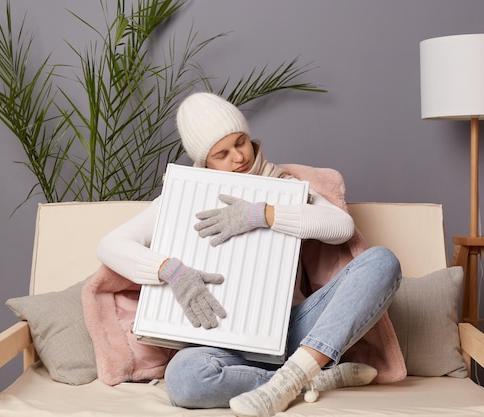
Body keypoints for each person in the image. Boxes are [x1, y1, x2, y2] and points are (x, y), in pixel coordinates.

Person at [96, 92, 403, 417]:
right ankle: (311, 377)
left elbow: (340, 226)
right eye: (221, 153)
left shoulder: (284, 184)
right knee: (184, 380)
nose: (238, 157)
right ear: (205, 161)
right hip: (220, 339)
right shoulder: (182, 196)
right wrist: (170, 270)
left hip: (295, 328)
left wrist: (265, 214)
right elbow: (110, 245)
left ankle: (299, 369)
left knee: (382, 261)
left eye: (240, 142)